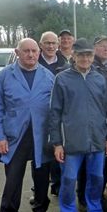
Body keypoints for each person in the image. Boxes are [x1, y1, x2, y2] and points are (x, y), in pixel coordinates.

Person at [49, 38, 107, 212]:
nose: (85, 58)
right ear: (74, 56)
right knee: (69, 182)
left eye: (88, 55)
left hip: (96, 140)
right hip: (71, 143)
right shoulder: (62, 79)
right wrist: (57, 143)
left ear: (93, 57)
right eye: (81, 55)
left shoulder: (99, 79)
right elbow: (54, 113)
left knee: (96, 179)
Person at [0, 38, 55, 212]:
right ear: (17, 52)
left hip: (42, 135)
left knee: (42, 175)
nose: (31, 55)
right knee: (14, 178)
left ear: (39, 52)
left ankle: (40, 209)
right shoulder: (5, 76)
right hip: (15, 135)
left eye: (34, 51)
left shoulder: (48, 76)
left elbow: (56, 108)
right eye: (26, 51)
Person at [76, 35, 107, 212]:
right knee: (88, 162)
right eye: (102, 46)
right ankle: (84, 200)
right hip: (88, 123)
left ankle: (97, 194)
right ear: (93, 50)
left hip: (106, 120)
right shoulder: (88, 68)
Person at [37, 31, 67, 195]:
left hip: (59, 115)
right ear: (41, 45)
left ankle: (57, 185)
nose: (50, 46)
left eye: (53, 43)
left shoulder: (65, 63)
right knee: (40, 155)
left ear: (58, 45)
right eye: (47, 43)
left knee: (58, 150)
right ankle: (39, 189)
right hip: (40, 115)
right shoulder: (34, 60)